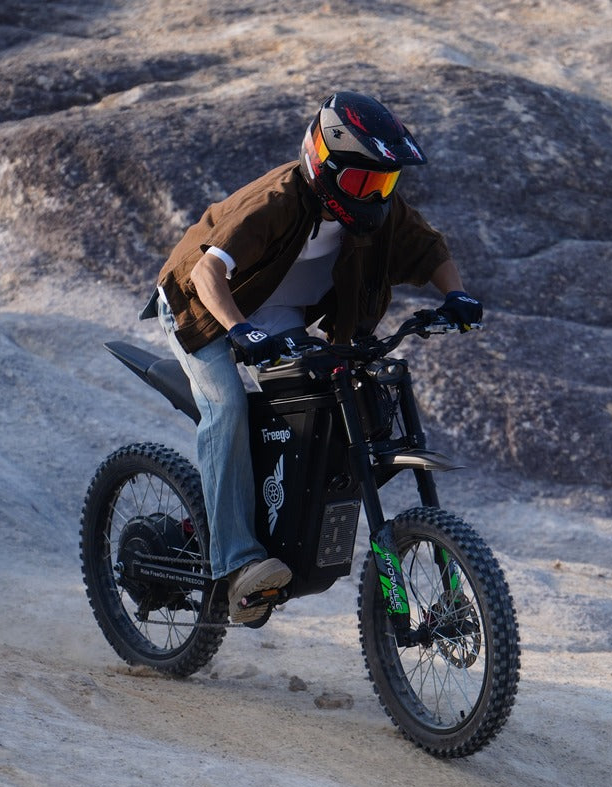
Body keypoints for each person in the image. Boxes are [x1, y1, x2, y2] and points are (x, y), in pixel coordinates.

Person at [145, 91, 483, 623]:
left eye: (385, 183)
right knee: (227, 407)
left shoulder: (379, 212)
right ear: (322, 162)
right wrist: (240, 332)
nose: (375, 194)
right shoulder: (275, 200)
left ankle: (274, 511)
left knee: (325, 393)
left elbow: (429, 249)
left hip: (278, 310)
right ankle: (235, 565)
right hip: (206, 308)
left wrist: (455, 296)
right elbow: (208, 273)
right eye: (363, 182)